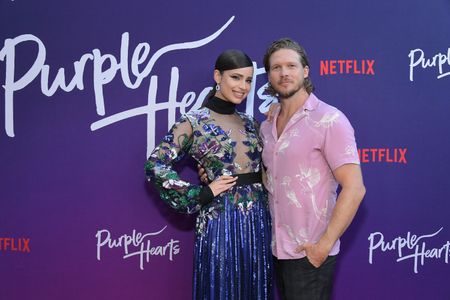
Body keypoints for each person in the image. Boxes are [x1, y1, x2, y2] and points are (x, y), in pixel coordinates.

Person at [145, 49, 273, 299]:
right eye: (236, 78)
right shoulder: (194, 122)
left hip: (258, 220)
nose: (243, 86)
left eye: (248, 80)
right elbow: (155, 165)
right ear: (218, 76)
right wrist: (202, 193)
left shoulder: (252, 123)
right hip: (220, 219)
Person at [260, 38, 366, 300]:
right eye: (276, 68)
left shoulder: (330, 120)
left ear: (305, 71)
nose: (284, 73)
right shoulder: (267, 126)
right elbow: (267, 178)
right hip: (277, 249)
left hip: (310, 251)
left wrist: (324, 245)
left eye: (291, 66)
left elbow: (354, 188)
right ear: (269, 76)